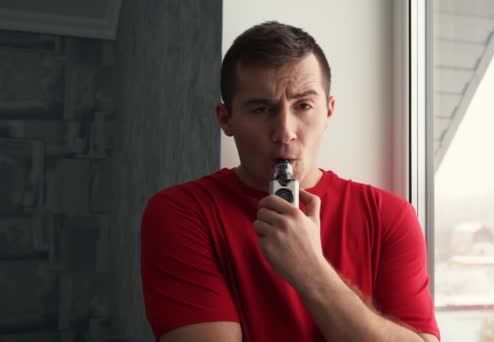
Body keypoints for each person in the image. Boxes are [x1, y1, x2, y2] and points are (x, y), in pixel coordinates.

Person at [140, 21, 440, 342]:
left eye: (304, 106)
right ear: (226, 119)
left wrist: (311, 271)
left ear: (328, 112)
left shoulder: (390, 217)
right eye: (261, 109)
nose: (285, 132)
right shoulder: (181, 212)